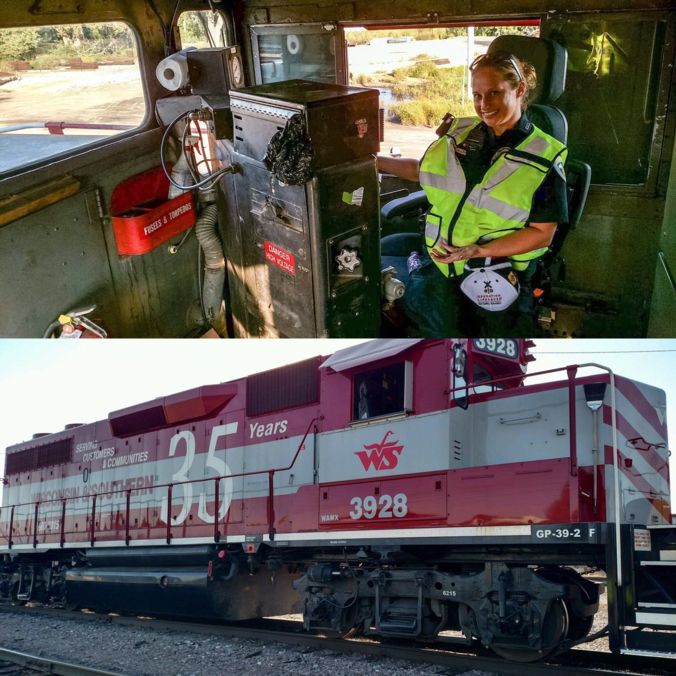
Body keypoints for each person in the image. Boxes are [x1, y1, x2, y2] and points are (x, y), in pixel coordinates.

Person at [378, 50, 569, 337]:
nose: (483, 105)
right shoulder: (461, 133)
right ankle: (422, 270)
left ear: (519, 90)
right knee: (437, 337)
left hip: (495, 270)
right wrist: (372, 161)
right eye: (477, 95)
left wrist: (479, 250)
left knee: (488, 349)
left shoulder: (543, 157)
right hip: (445, 262)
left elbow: (542, 233)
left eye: (494, 93)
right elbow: (421, 171)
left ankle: (418, 271)